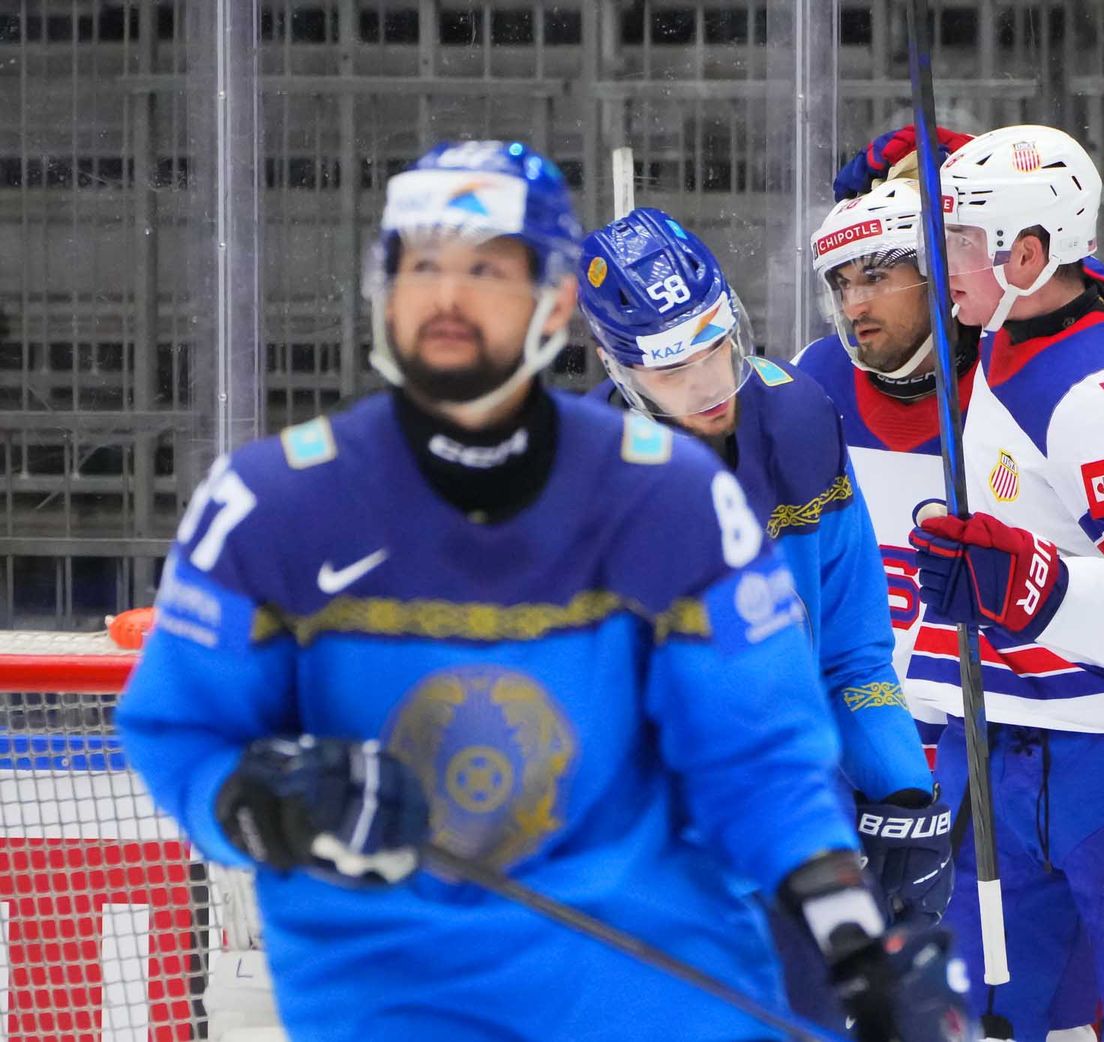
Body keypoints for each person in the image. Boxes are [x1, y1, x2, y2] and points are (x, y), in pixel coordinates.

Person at [117, 141, 969, 1042]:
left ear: (553, 305)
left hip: (638, 986)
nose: (450, 300)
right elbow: (179, 732)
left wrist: (850, 929)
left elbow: (760, 748)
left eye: (489, 272)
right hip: (395, 997)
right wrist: (257, 801)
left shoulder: (676, 500)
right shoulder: (266, 505)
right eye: (420, 268)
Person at [798, 127, 1104, 1042]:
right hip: (980, 753)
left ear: (1022, 254)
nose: (926, 269)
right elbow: (1049, 269)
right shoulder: (978, 339)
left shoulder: (1096, 370)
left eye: (947, 243)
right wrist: (972, 181)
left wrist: (1034, 587)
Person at [575, 206, 956, 1034]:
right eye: (673, 369)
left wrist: (903, 791)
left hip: (797, 840)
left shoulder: (799, 419)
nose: (709, 387)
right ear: (616, 365)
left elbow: (852, 654)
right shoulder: (582, 481)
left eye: (716, 345)